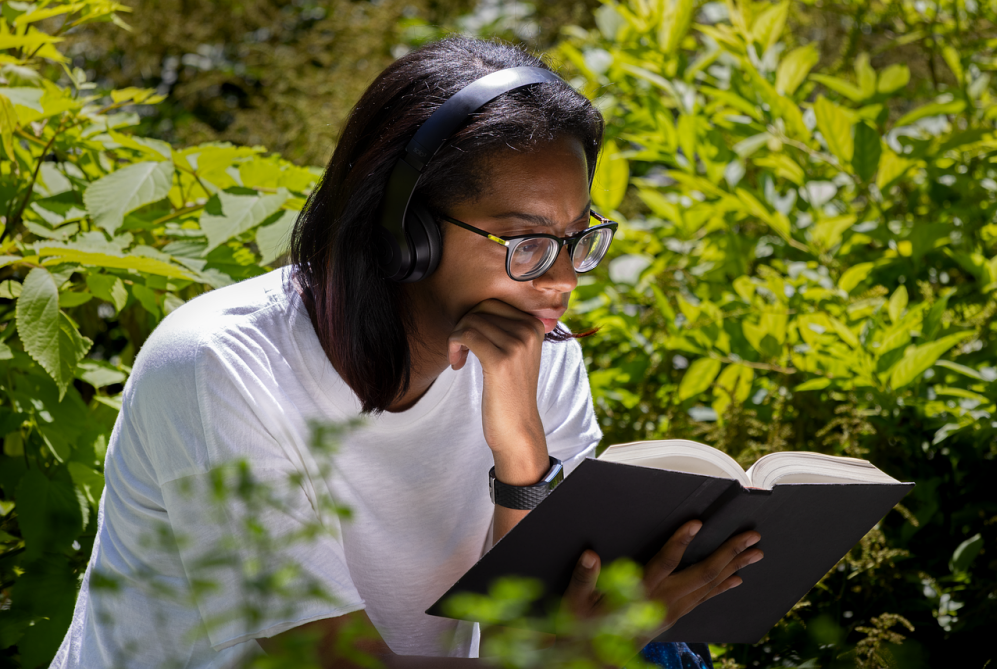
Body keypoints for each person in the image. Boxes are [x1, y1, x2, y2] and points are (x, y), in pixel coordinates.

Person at [53, 36, 762, 669]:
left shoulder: (539, 352)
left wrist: (521, 453)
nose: (563, 281)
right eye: (526, 242)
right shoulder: (219, 363)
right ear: (405, 234)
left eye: (577, 238)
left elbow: (526, 629)